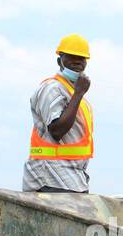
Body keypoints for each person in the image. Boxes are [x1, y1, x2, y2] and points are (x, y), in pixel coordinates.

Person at [24, 34, 93, 193]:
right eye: (71, 57)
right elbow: (56, 130)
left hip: (72, 178)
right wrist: (79, 94)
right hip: (50, 177)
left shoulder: (72, 91)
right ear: (59, 61)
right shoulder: (51, 88)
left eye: (82, 58)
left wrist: (77, 94)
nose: (77, 61)